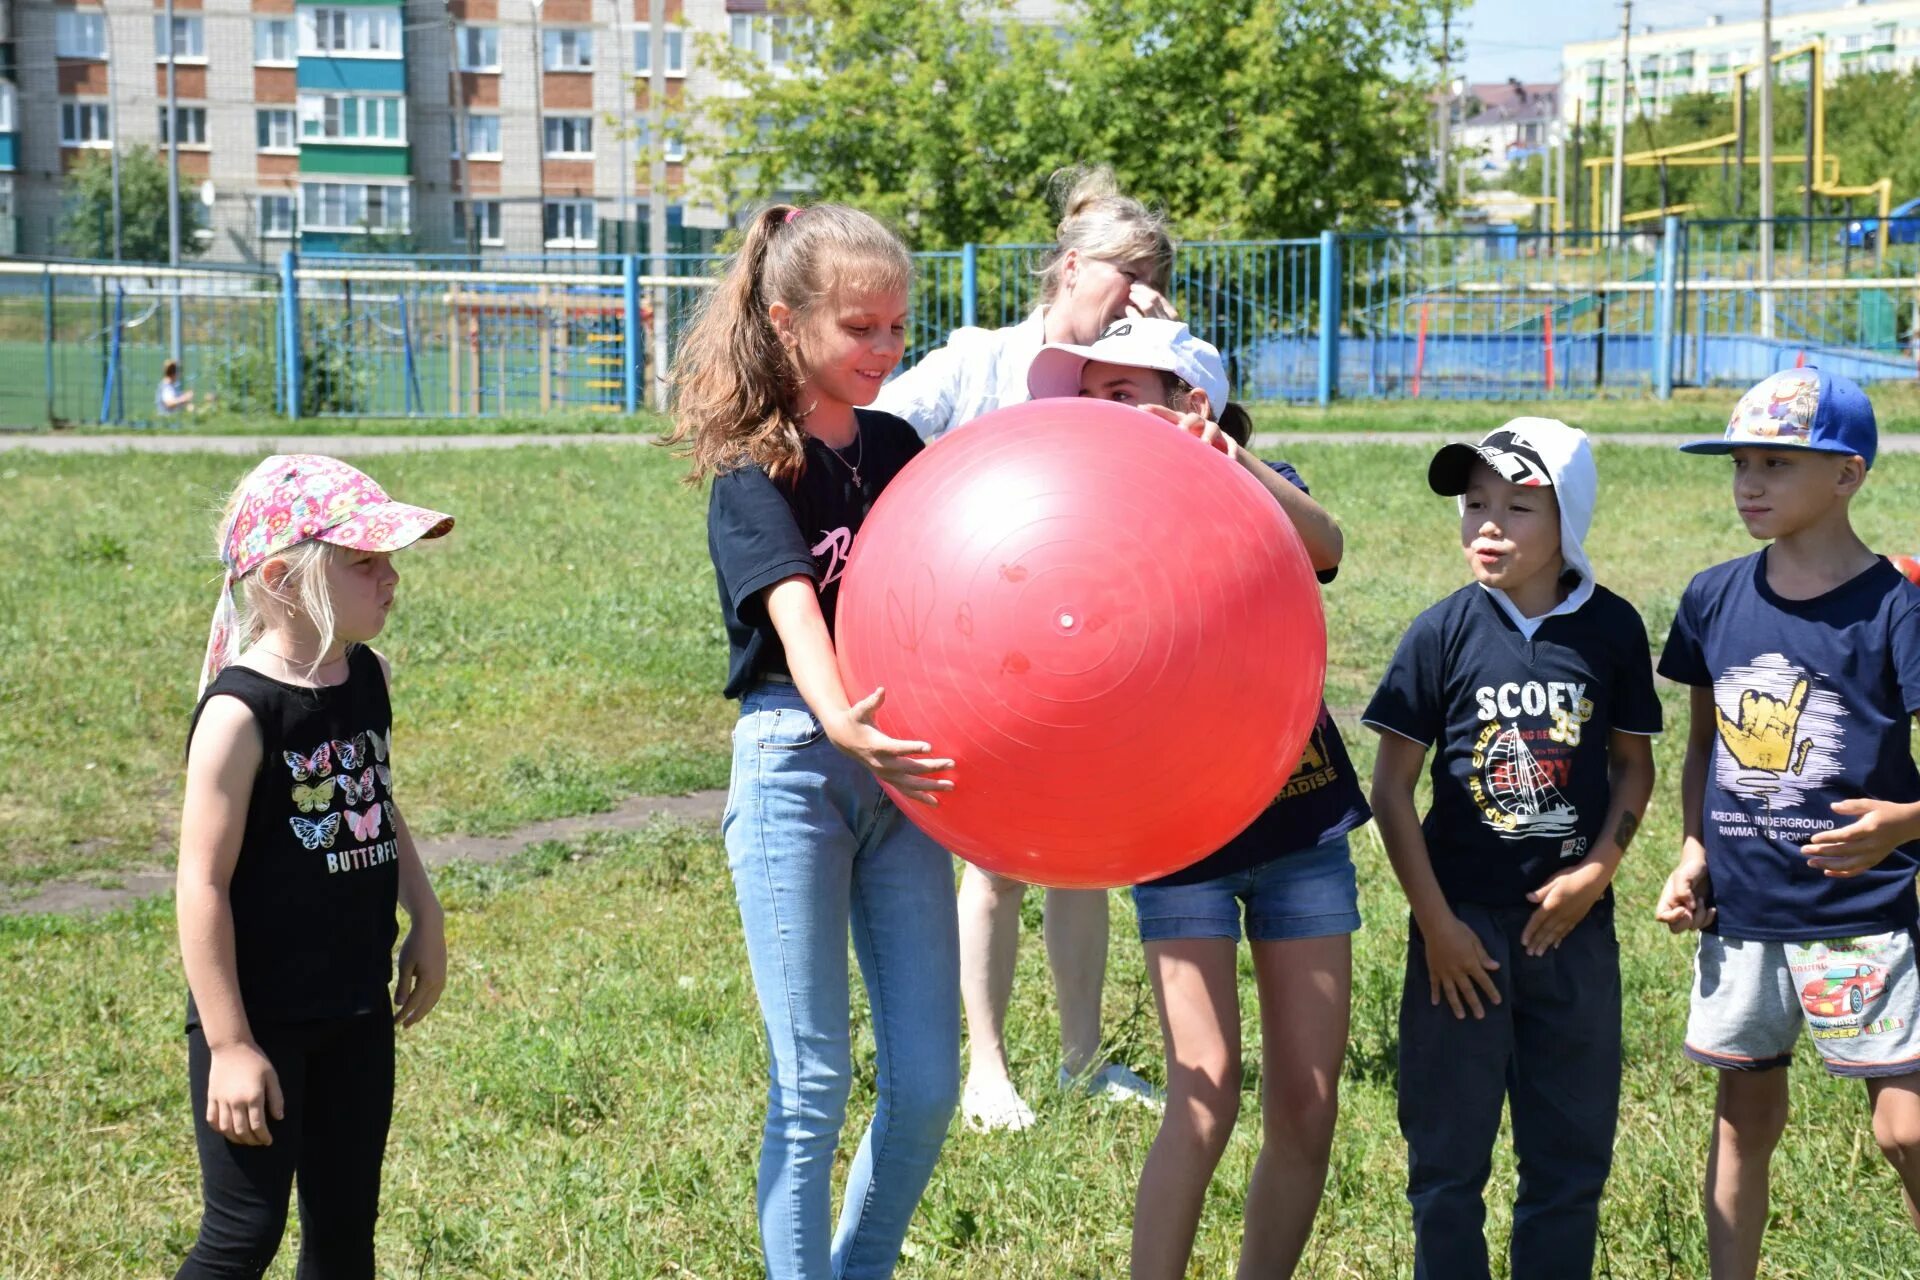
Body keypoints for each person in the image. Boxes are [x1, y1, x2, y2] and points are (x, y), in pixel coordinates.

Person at [1028, 318, 1365, 1277]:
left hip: (1300, 828)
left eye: (1122, 393)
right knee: (1205, 1090)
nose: (1101, 413)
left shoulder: (1261, 487)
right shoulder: (1088, 515)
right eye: (1090, 396)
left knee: (1308, 1100)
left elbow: (1328, 546)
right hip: (1180, 842)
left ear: (1192, 403)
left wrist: (1234, 464)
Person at [664, 203, 959, 1279]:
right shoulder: (753, 468)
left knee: (928, 1081)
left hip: (907, 777)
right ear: (788, 323)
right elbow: (792, 604)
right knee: (813, 1087)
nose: (887, 350)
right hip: (797, 764)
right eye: (861, 328)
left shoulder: (898, 448)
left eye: (897, 327)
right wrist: (844, 720)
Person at [878, 166, 1176, 1131]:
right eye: (1125, 279)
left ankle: (1082, 1061)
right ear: (1073, 264)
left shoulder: (1136, 368)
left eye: (1151, 286)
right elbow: (874, 435)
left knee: (1084, 856)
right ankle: (988, 1070)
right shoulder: (977, 362)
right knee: (998, 860)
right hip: (979, 656)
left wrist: (1160, 343)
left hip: (1095, 652)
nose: (1134, 299)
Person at [1363, 420, 1660, 1278]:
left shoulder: (1611, 629)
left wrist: (1597, 871)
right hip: (1460, 941)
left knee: (1568, 1163)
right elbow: (1390, 791)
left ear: (1571, 518)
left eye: (1518, 507)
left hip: (1572, 935)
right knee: (1447, 1166)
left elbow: (1633, 768)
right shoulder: (1440, 632)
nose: (1488, 524)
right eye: (1475, 505)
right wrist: (1439, 927)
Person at [1653, 368, 1920, 1278]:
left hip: (1864, 915)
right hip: (1747, 916)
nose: (1750, 484)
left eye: (1776, 463)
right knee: (1744, 1119)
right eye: (1739, 464)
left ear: (1848, 473)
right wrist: (1693, 851)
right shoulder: (1712, 596)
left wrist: (1903, 824)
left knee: (1907, 1129)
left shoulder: (1897, 607)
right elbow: (1702, 745)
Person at [174, 454, 453, 1278]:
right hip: (258, 1019)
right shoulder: (239, 713)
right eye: (363, 561)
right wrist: (228, 1043)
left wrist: (426, 914)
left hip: (356, 1010)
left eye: (388, 558)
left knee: (343, 1235)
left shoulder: (366, 674)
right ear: (284, 580)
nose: (391, 578)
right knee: (243, 1235)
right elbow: (201, 884)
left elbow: (373, 798)